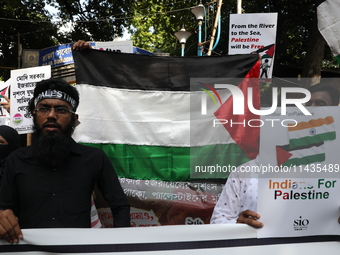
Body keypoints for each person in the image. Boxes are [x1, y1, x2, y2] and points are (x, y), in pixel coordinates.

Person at [0, 78, 130, 243]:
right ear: (34, 115)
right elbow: (4, 207)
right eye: (44, 108)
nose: (51, 115)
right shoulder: (16, 160)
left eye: (61, 110)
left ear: (74, 119)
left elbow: (120, 207)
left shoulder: (94, 159)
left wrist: (121, 245)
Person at [210, 83, 340, 228]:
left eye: (320, 104)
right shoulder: (245, 172)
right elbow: (217, 221)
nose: (311, 109)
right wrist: (238, 224)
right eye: (306, 104)